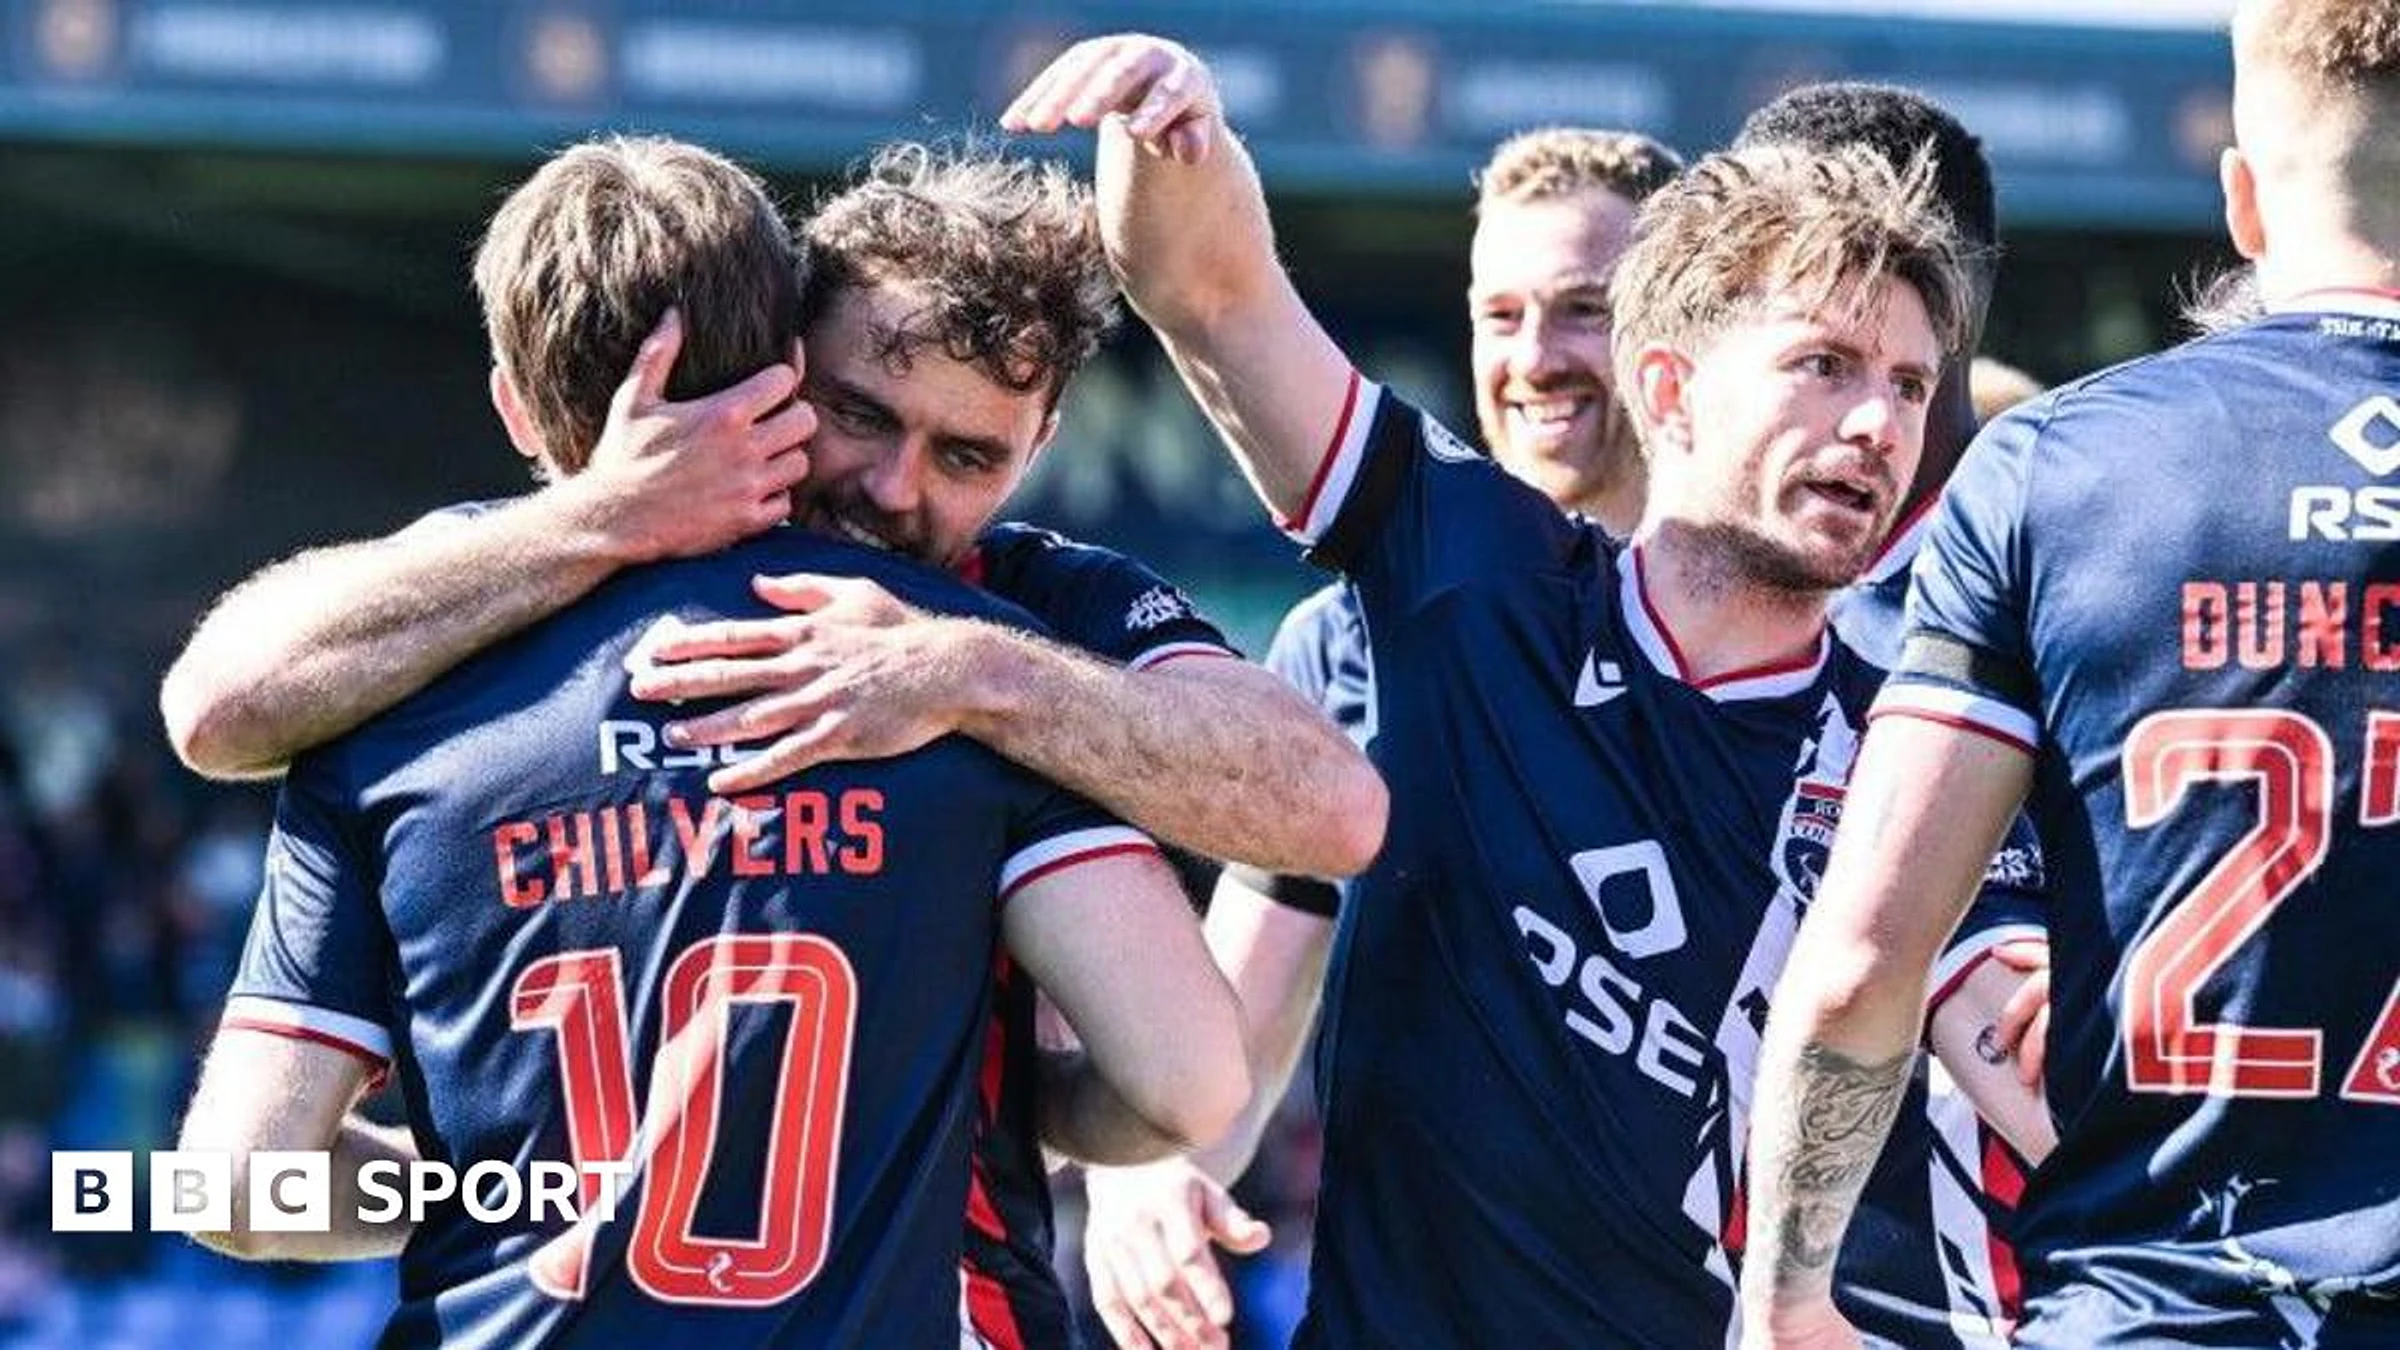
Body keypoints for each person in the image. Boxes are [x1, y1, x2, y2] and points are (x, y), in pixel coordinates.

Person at [159, 139, 1386, 1350]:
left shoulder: (1021, 632)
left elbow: (236, 1182)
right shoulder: (446, 608)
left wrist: (973, 673)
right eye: (858, 415)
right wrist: (606, 520)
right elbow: (1189, 1085)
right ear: (784, 368)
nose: (894, 490)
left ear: (1043, 440)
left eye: (966, 456)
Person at [1006, 34, 2050, 1348]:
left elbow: (2036, 1059)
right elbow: (1212, 294)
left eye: (1907, 384)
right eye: (1825, 365)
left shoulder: (1910, 751)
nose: (1877, 426)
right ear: (1669, 386)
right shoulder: (1474, 578)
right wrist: (1175, 133)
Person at [1742, 2, 2400, 1346]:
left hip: (2154, 1308)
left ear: (2243, 200)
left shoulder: (2061, 466)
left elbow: (1863, 960)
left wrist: (1786, 1300)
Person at [1073, 124, 1684, 1350]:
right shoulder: (1351, 642)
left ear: (1683, 331)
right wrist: (1150, 1181)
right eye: (1499, 314)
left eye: (1582, 310)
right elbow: (1237, 1029)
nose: (1533, 359)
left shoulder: (1796, 628)